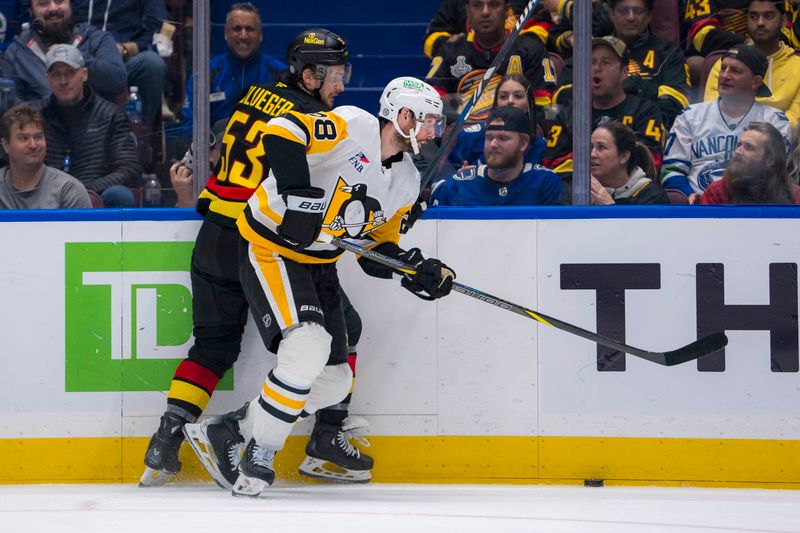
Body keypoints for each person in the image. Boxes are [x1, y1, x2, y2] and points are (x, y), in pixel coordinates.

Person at [182, 76, 451, 498]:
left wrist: (413, 268)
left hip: (320, 265)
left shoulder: (406, 182)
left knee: (335, 382)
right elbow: (281, 131)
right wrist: (297, 196)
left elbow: (371, 251)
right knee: (305, 347)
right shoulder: (352, 125)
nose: (436, 131)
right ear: (404, 117)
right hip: (271, 247)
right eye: (430, 121)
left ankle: (232, 427)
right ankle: (260, 453)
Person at [139, 28, 357, 488]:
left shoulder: (256, 93)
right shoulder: (310, 116)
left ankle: (166, 438)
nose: (342, 83)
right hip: (257, 243)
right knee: (339, 332)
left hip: (213, 233)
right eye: (335, 73)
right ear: (310, 75)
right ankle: (322, 435)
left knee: (214, 345)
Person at [661, 44, 792, 201]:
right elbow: (671, 169)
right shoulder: (689, 116)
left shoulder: (775, 121)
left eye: (735, 71)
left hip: (753, 206)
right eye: (723, 68)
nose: (725, 75)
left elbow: (777, 175)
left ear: (756, 82)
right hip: (698, 207)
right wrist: (689, 195)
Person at [542, 36, 665, 202]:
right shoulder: (569, 115)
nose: (596, 68)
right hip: (576, 197)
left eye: (606, 62)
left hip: (632, 198)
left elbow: (650, 160)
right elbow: (551, 166)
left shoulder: (645, 111)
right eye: (591, 62)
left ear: (624, 72)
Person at [37, 43, 139, 207]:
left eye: (70, 73)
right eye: (56, 75)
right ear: (47, 79)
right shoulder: (36, 115)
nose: (63, 81)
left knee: (120, 195)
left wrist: (82, 190)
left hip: (95, 193)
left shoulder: (111, 115)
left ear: (84, 74)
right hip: (46, 196)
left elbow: (128, 170)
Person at [425, 0, 556, 123]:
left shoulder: (531, 49)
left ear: (506, 11)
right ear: (468, 11)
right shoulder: (450, 50)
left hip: (516, 138)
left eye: (493, 4)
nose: (485, 12)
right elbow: (431, 100)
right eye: (477, 5)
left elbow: (543, 106)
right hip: (461, 138)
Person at [169, 2, 286, 139]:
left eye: (249, 29)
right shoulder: (205, 73)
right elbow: (190, 126)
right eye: (237, 29)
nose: (243, 35)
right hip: (216, 154)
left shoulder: (280, 74)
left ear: (260, 34)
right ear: (226, 33)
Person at [1, 0, 126, 109]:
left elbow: (117, 82)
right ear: (30, 11)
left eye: (60, 1)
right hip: (42, 130)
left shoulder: (96, 39)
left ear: (71, 4)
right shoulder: (18, 51)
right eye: (43, 3)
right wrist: (51, 110)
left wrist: (73, 56)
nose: (53, 8)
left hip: (95, 131)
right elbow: (10, 107)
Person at [431, 105, 561, 205]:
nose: (493, 144)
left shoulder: (545, 183)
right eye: (489, 137)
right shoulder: (456, 187)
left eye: (503, 138)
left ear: (523, 143)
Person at [72, 0, 169, 131]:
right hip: (77, 57)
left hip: (125, 58)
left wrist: (124, 49)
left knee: (152, 64)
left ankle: (138, 136)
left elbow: (158, 30)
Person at [703, 0, 800, 127]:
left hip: (779, 144)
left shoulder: (797, 66)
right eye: (753, 16)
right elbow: (712, 116)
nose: (760, 23)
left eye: (768, 16)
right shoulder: (725, 65)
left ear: (783, 21)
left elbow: (794, 124)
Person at [608, 0, 690, 128]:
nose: (631, 17)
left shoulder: (669, 53)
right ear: (612, 14)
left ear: (649, 16)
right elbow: (568, 96)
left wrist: (640, 88)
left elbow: (676, 103)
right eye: (624, 11)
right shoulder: (595, 51)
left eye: (638, 11)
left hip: (648, 127)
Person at [445, 73, 546, 175]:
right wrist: (459, 178)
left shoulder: (540, 144)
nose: (510, 101)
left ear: (529, 103)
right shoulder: (468, 136)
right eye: (503, 96)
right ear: (496, 102)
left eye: (518, 96)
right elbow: (441, 179)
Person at [0, 103, 91, 208]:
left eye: (38, 137)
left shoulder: (68, 190)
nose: (33, 145)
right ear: (6, 145)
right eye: (24, 138)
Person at [700, 121, 800, 204]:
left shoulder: (795, 195)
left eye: (749, 147)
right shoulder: (717, 191)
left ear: (770, 160)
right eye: (739, 145)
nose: (738, 151)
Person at [589, 120, 669, 205]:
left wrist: (609, 205)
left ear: (624, 156)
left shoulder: (653, 195)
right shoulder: (578, 189)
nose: (592, 154)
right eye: (590, 147)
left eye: (601, 147)